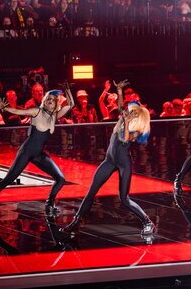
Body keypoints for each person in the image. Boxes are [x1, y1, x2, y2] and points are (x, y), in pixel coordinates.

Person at [61, 80, 156, 236]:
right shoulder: (123, 118)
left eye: (132, 112)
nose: (128, 112)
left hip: (123, 164)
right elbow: (120, 106)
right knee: (91, 192)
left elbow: (125, 139)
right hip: (109, 160)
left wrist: (125, 120)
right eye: (129, 111)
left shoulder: (136, 130)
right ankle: (75, 222)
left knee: (124, 199)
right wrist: (118, 91)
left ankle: (147, 222)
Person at [0, 84, 75, 222]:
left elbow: (71, 104)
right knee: (9, 179)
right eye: (48, 100)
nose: (50, 103)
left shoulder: (55, 116)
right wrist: (6, 108)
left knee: (60, 179)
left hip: (38, 154)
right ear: (45, 101)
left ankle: (49, 204)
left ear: (56, 104)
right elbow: (19, 112)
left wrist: (67, 90)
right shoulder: (37, 111)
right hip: (26, 152)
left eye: (53, 101)